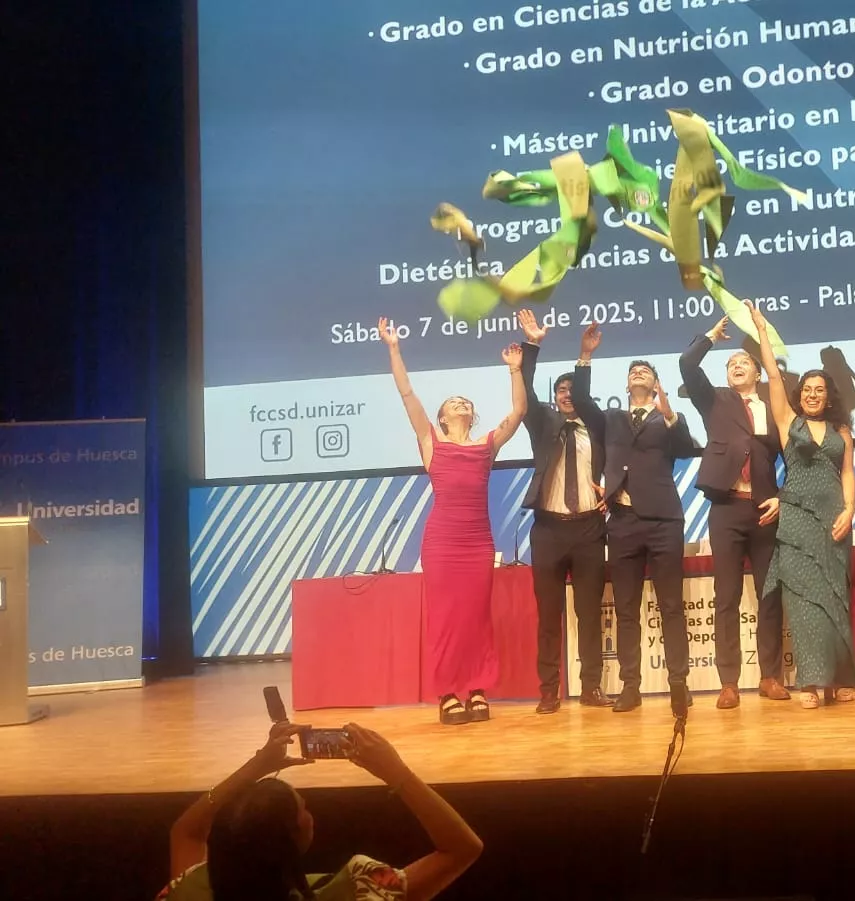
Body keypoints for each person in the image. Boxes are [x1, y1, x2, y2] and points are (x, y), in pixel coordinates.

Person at [379, 318, 525, 725]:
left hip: (478, 543)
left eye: (466, 402)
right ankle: (447, 693)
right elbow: (406, 393)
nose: (461, 404)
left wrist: (515, 370)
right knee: (446, 620)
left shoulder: (486, 446)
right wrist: (394, 348)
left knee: (476, 619)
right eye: (453, 403)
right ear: (442, 417)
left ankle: (477, 688)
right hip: (442, 544)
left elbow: (519, 411)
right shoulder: (431, 441)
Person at [160, 721, 482, 900]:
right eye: (303, 808)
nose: (308, 810)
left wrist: (256, 765)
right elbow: (462, 847)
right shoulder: (362, 889)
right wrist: (395, 771)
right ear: (294, 839)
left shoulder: (186, 891)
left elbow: (186, 831)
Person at [574, 325, 699, 713]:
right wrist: (585, 355)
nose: (638, 373)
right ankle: (631, 686)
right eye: (633, 372)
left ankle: (678, 683)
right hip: (623, 523)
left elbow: (687, 449)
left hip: (663, 522)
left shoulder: (667, 419)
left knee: (671, 606)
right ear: (626, 386)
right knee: (626, 609)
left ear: (657, 384)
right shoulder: (611, 419)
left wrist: (671, 415)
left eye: (645, 371)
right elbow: (581, 400)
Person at [746, 300, 855, 710]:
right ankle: (810, 682)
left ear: (828, 397)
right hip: (795, 525)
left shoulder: (841, 430)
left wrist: (850, 509)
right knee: (804, 606)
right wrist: (762, 330)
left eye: (819, 390)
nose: (812, 394)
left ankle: (838, 678)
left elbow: (848, 473)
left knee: (835, 602)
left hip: (833, 522)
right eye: (807, 389)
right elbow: (773, 373)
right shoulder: (787, 423)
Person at [679, 316, 789, 709]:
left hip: (764, 509)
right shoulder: (715, 400)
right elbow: (687, 364)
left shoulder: (773, 409)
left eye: (743, 362)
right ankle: (729, 682)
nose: (736, 366)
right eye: (731, 364)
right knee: (725, 596)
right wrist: (711, 337)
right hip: (725, 508)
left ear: (758, 373)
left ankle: (770, 676)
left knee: (769, 596)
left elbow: (795, 459)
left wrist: (784, 497)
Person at [516, 309, 612, 714]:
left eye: (572, 389)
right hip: (549, 530)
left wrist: (584, 356)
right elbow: (525, 392)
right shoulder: (543, 424)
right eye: (561, 390)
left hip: (589, 529)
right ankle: (548, 691)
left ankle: (591, 687)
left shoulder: (599, 426)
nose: (568, 395)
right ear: (555, 397)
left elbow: (587, 399)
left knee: (589, 614)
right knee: (549, 616)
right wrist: (532, 345)